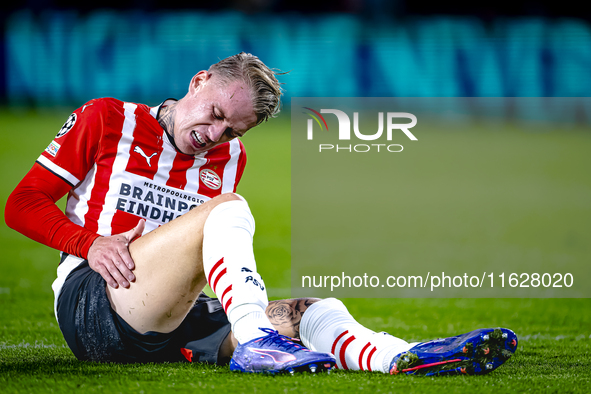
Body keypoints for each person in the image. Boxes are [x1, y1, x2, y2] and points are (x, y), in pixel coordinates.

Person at [5, 52, 517, 376]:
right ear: (199, 80)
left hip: (170, 315)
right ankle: (255, 342)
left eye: (233, 130)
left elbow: (195, 252)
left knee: (311, 310)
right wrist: (89, 243)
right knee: (228, 210)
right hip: (95, 304)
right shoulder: (107, 119)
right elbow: (21, 204)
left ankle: (402, 357)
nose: (216, 134)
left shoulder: (229, 159)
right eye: (216, 114)